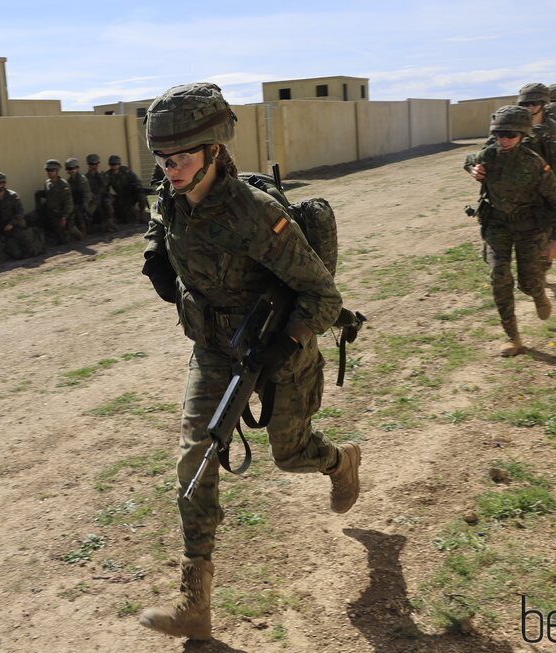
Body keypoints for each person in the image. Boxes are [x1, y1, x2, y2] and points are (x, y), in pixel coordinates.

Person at [138, 82, 361, 641]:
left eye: (183, 157)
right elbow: (159, 223)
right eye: (163, 159)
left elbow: (324, 298)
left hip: (279, 348)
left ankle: (340, 463)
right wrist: (154, 255)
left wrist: (284, 346)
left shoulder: (254, 214)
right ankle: (195, 605)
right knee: (196, 454)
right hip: (215, 349)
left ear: (215, 150)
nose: (172, 169)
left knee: (290, 455)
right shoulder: (170, 198)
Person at [464, 106, 556, 356]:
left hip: (529, 228)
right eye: (499, 133)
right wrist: (473, 169)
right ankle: (513, 338)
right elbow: (470, 159)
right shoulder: (489, 155)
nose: (504, 139)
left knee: (527, 282)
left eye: (510, 134)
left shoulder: (535, 164)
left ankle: (538, 294)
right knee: (499, 277)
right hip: (497, 225)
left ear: (523, 135)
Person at [514, 83, 556, 200]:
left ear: (543, 103)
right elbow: (489, 149)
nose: (530, 107)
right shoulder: (512, 124)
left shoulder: (553, 127)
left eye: (535, 103)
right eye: (525, 103)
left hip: (549, 191)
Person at [0, 172, 37, 259]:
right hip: (2, 226)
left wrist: (11, 224)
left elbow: (20, 212)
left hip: (15, 227)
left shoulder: (13, 196)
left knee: (17, 255)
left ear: (4, 183)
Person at [43, 159, 80, 244]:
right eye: (47, 170)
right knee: (59, 239)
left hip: (62, 214)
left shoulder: (63, 184)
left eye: (51, 170)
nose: (49, 172)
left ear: (57, 171)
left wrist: (64, 217)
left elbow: (68, 203)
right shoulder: (47, 183)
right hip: (52, 214)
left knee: (67, 238)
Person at [106, 154, 149, 225]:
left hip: (131, 194)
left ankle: (142, 214)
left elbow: (136, 181)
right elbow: (105, 188)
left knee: (141, 195)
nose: (114, 166)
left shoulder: (126, 171)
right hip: (121, 197)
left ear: (119, 164)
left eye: (116, 164)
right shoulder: (108, 175)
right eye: (112, 164)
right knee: (127, 219)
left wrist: (137, 188)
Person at [85, 154, 117, 233]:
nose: (94, 166)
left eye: (96, 164)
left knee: (108, 205)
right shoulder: (86, 177)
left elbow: (105, 184)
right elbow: (86, 189)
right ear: (89, 165)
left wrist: (99, 175)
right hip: (94, 198)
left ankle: (110, 222)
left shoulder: (103, 174)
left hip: (104, 196)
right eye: (92, 164)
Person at [65, 157, 95, 236]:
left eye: (73, 168)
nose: (71, 170)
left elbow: (87, 194)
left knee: (80, 212)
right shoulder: (69, 181)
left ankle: (83, 230)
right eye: (69, 168)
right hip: (77, 202)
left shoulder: (82, 179)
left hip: (87, 202)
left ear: (77, 168)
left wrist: (84, 205)